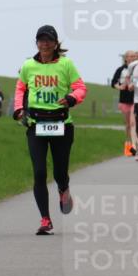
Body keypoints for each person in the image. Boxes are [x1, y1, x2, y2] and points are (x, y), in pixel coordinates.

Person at [14, 25, 86, 235]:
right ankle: (45, 220)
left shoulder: (66, 64)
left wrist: (72, 98)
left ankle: (63, 188)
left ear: (55, 44)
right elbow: (20, 89)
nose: (44, 44)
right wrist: (18, 109)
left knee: (59, 172)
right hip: (36, 124)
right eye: (41, 40)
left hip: (61, 123)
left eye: (48, 40)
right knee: (39, 172)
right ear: (36, 43)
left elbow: (80, 87)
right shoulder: (28, 65)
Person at [111, 51, 137, 156]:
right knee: (128, 124)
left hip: (136, 99)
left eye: (134, 56)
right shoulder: (121, 69)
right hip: (124, 99)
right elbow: (113, 83)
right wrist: (120, 87)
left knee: (133, 123)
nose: (132, 58)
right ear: (125, 58)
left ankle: (135, 146)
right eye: (130, 56)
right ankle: (128, 144)